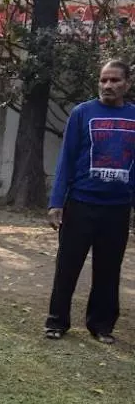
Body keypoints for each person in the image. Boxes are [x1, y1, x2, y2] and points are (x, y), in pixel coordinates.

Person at [44, 60, 135, 345]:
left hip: (118, 208)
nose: (108, 85)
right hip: (81, 204)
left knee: (109, 269)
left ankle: (101, 325)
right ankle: (57, 322)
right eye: (104, 80)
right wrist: (57, 202)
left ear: (127, 84)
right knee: (67, 266)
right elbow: (66, 160)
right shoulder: (82, 113)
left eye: (115, 80)